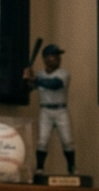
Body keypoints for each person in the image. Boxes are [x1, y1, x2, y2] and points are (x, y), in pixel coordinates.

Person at [23, 44, 76, 175]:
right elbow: (28, 89)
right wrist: (26, 78)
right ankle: (40, 169)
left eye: (58, 56)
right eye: (54, 56)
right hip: (45, 111)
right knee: (42, 141)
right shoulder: (40, 74)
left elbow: (54, 84)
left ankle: (72, 168)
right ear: (46, 59)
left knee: (67, 141)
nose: (58, 58)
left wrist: (35, 79)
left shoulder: (63, 74)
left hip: (61, 110)